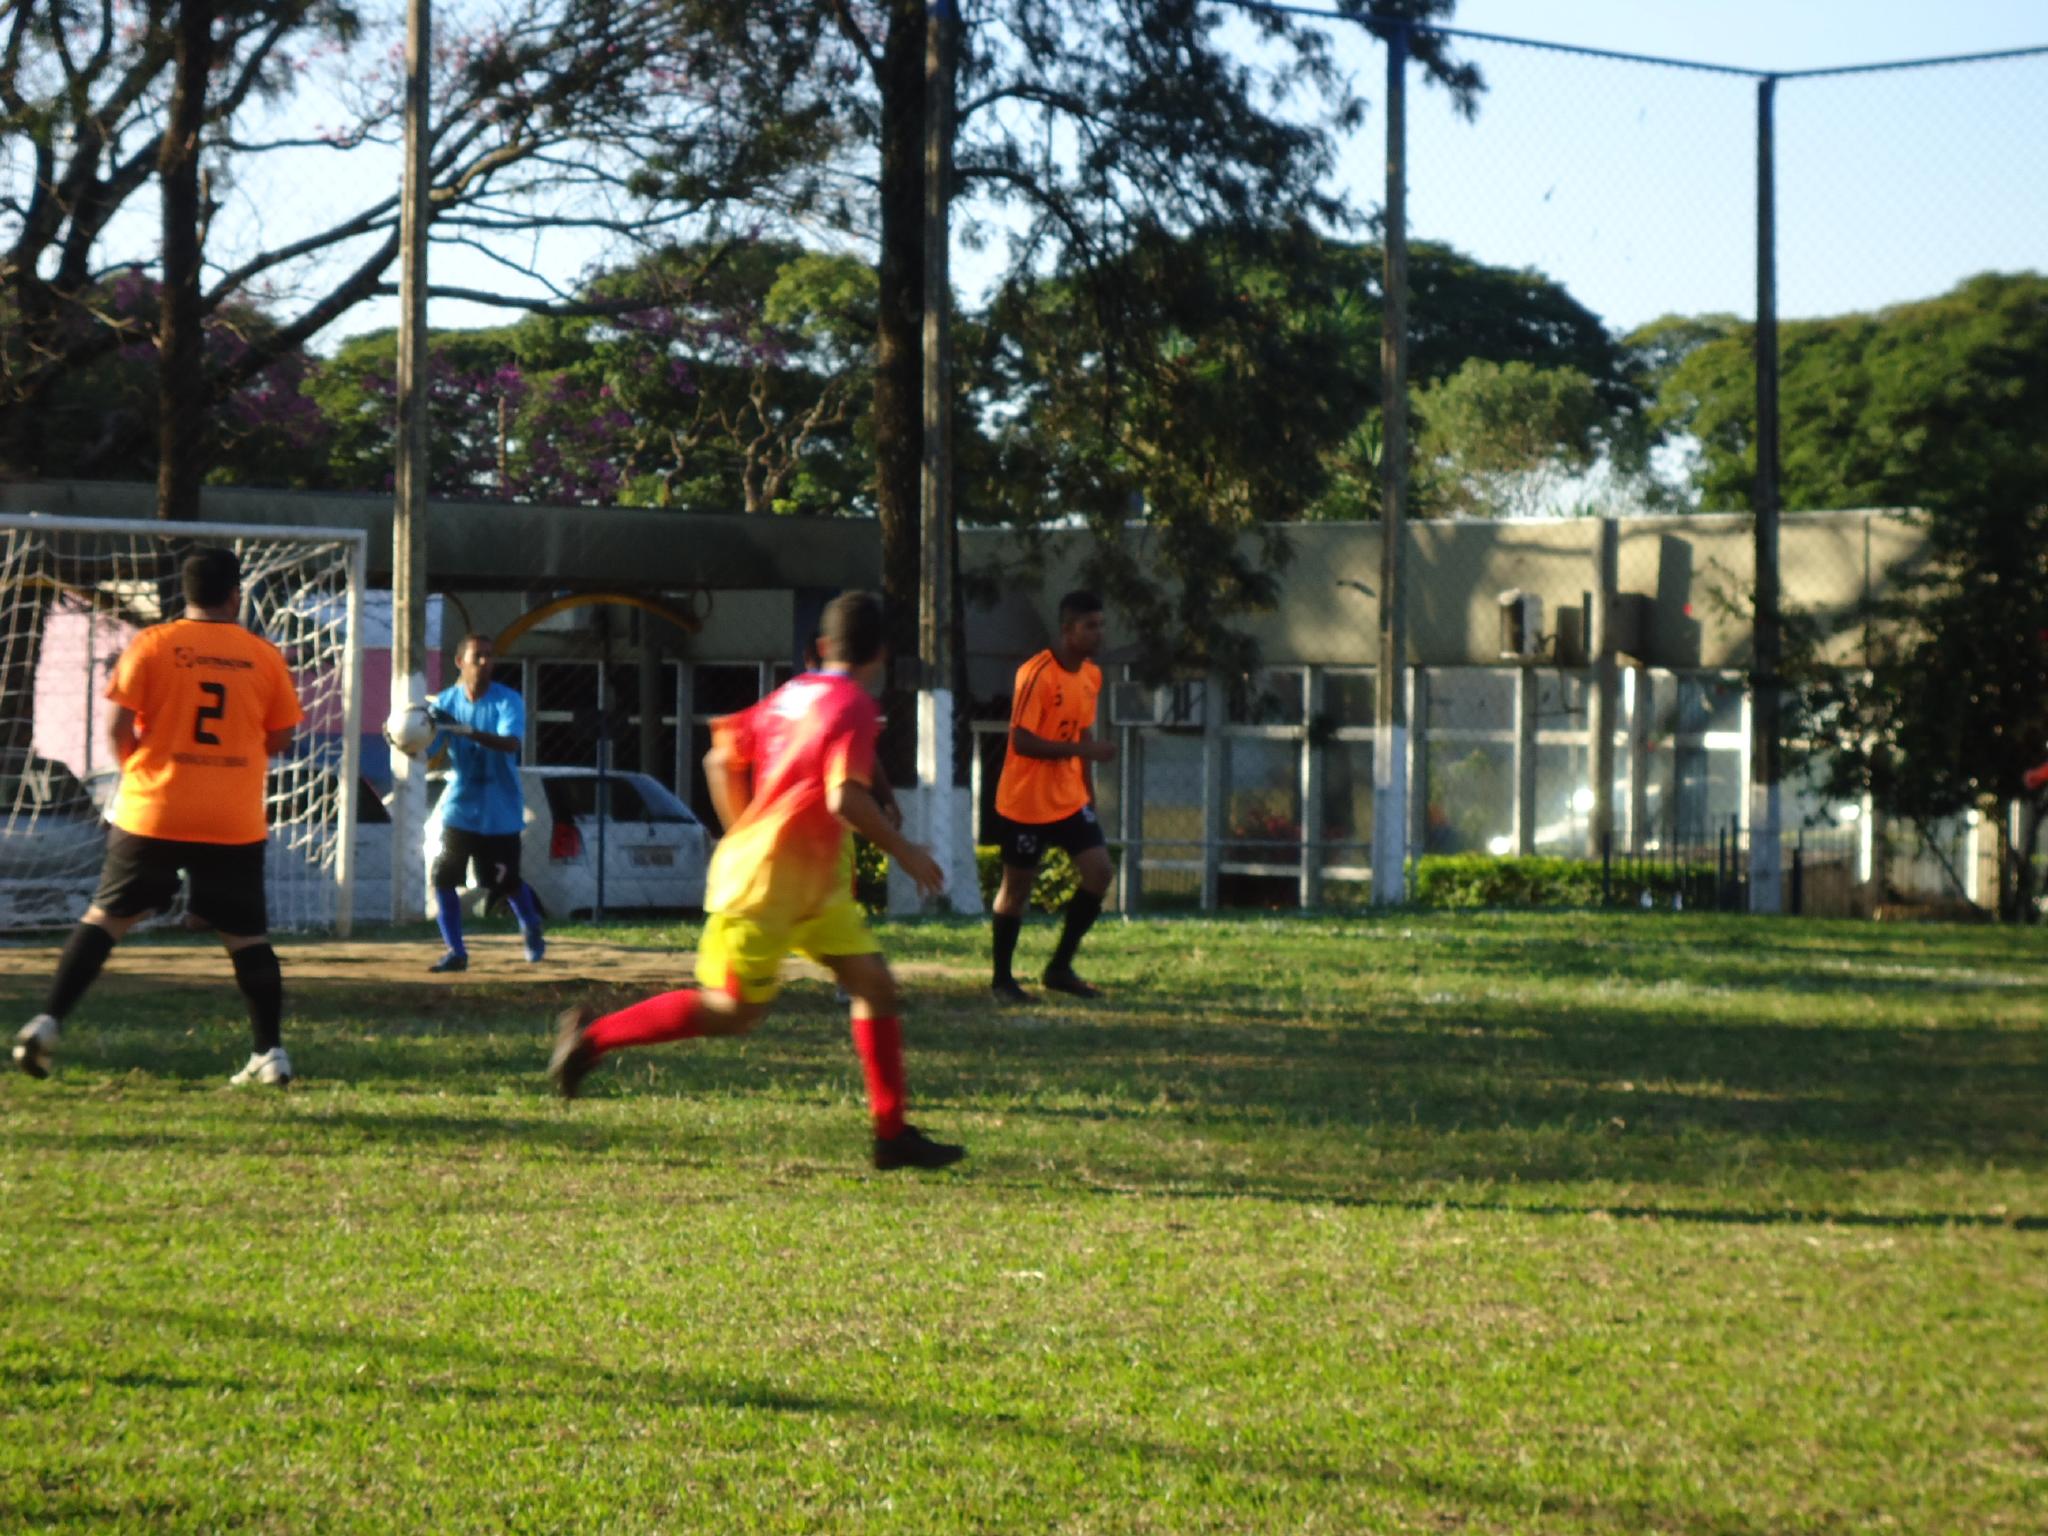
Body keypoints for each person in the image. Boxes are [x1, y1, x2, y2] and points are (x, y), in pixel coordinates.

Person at [548, 591, 965, 1171]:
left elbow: (720, 760)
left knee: (874, 984)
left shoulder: (793, 694)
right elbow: (845, 798)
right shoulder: (855, 705)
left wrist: (744, 827)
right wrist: (907, 852)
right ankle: (593, 1037)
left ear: (824, 647)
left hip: (810, 886)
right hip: (770, 885)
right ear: (882, 655)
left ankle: (891, 1134)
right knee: (732, 1012)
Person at [12, 548, 303, 1086]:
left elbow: (117, 727)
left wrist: (141, 770)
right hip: (231, 817)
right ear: (235, 595)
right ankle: (270, 1053)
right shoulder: (262, 655)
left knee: (106, 919)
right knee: (245, 937)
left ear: (185, 592)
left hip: (155, 808)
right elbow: (282, 734)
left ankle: (47, 1022)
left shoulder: (152, 644)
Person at [987, 590, 1117, 1004]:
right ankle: (1002, 980)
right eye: (1090, 626)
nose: (1099, 633)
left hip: (1068, 798)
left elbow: (1082, 733)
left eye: (1101, 625)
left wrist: (1088, 796)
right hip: (1026, 802)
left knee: (1100, 872)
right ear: (1067, 630)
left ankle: (1059, 968)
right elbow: (1022, 741)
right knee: (1017, 890)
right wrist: (1084, 751)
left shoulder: (1091, 676)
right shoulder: (1036, 673)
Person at [392, 632, 545, 972]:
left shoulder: (508, 700)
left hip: (500, 810)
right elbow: (429, 753)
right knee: (443, 877)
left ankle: (531, 924)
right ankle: (456, 952)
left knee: (504, 881)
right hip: (460, 808)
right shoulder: (445, 703)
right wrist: (406, 743)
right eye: (478, 656)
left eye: (490, 655)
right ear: (461, 662)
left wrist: (467, 731)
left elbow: (511, 744)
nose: (486, 662)